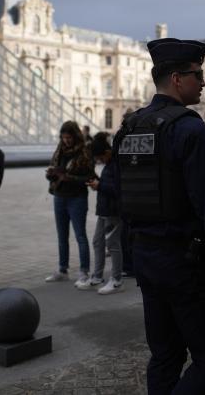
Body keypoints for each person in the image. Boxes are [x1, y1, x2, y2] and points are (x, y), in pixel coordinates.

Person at [113, 37, 205, 394]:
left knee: (164, 355)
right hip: (187, 264)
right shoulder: (193, 132)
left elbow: (120, 195)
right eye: (198, 74)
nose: (204, 82)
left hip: (146, 257)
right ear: (178, 79)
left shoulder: (129, 128)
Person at [45, 121, 95, 286]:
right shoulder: (60, 150)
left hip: (77, 198)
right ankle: (62, 270)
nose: (66, 141)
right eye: (63, 137)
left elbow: (89, 177)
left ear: (75, 136)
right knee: (62, 236)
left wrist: (69, 178)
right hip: (59, 195)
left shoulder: (84, 152)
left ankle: (84, 271)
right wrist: (51, 174)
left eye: (69, 137)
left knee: (80, 235)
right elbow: (54, 168)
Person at [85, 132, 125, 294]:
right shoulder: (110, 164)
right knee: (97, 242)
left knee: (113, 244)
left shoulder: (117, 164)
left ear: (107, 153)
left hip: (113, 211)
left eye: (100, 158)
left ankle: (116, 281)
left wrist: (99, 186)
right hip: (104, 210)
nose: (99, 162)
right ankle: (97, 277)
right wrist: (98, 183)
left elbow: (118, 190)